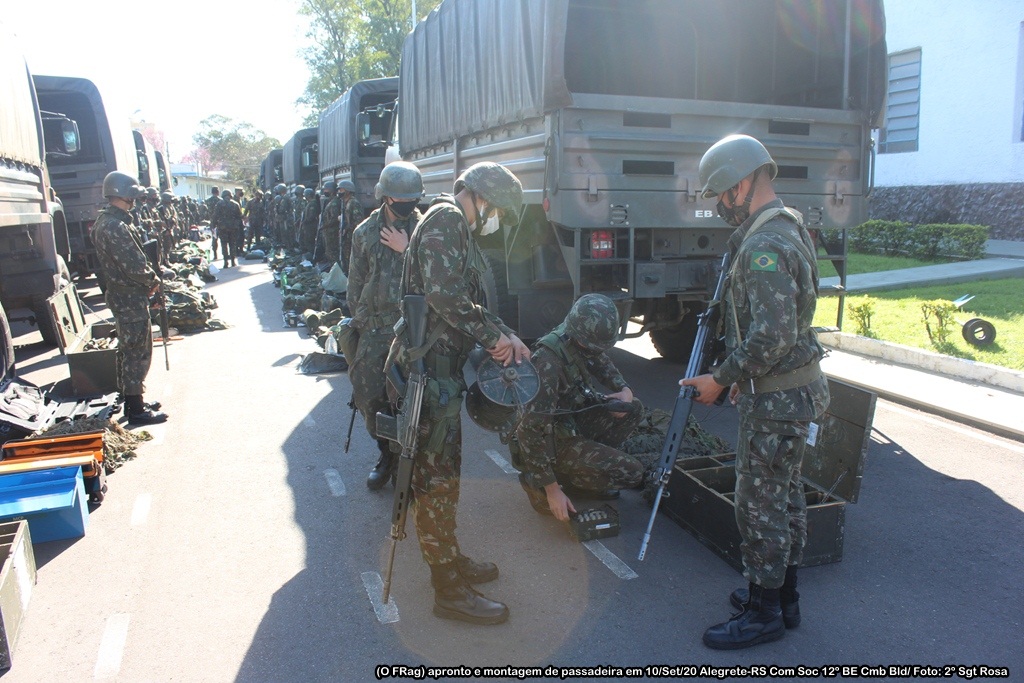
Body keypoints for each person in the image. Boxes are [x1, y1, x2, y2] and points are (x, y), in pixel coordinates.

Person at [679, 134, 830, 650]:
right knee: (785, 496)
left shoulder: (764, 245)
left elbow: (771, 335)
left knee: (759, 503)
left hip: (779, 399)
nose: (721, 206)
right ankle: (782, 600)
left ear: (742, 184)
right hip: (793, 390)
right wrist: (747, 377)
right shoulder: (788, 225)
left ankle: (764, 614)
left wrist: (721, 378)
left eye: (721, 194)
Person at [386, 161, 529, 625]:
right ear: (482, 198)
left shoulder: (450, 224)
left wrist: (506, 332)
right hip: (431, 375)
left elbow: (470, 302)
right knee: (435, 480)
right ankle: (447, 588)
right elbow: (444, 296)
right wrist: (493, 339)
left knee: (442, 476)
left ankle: (449, 558)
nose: (497, 222)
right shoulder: (448, 220)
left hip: (440, 374)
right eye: (499, 213)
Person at [511, 294, 646, 520]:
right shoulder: (548, 363)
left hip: (570, 421)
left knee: (633, 408)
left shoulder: (577, 336)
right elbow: (528, 430)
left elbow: (601, 363)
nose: (597, 349)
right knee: (632, 473)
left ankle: (583, 473)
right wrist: (552, 490)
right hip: (551, 441)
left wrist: (624, 390)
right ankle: (541, 482)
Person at [347, 162, 423, 490]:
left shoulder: (426, 230)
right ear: (385, 197)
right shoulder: (364, 232)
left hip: (414, 330)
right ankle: (387, 452)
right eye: (400, 199)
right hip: (375, 330)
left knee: (416, 402)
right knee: (368, 397)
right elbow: (356, 283)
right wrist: (360, 323)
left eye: (412, 199)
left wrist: (407, 251)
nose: (407, 206)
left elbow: (441, 280)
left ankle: (415, 463)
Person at [91, 171, 168, 426]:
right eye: (131, 196)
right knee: (137, 351)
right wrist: (154, 281)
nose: (134, 201)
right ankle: (136, 410)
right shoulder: (115, 226)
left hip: (123, 295)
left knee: (128, 350)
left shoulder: (108, 222)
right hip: (130, 298)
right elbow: (134, 266)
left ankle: (133, 400)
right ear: (123, 194)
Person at [212, 189, 243, 267]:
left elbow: (215, 216)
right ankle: (233, 261)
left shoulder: (219, 204)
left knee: (224, 244)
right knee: (232, 243)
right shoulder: (235, 204)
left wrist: (213, 225)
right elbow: (239, 216)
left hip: (223, 228)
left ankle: (226, 262)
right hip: (233, 228)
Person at [338, 180, 362, 276]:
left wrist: (347, 228)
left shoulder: (353, 203)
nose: (339, 192)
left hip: (351, 236)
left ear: (348, 190)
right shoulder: (345, 203)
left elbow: (358, 221)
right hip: (346, 237)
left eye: (341, 189)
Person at [318, 181, 340, 265]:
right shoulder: (330, 201)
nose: (325, 191)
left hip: (332, 232)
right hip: (328, 231)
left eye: (326, 189)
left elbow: (334, 218)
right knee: (329, 251)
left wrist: (325, 225)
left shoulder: (334, 202)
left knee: (332, 251)